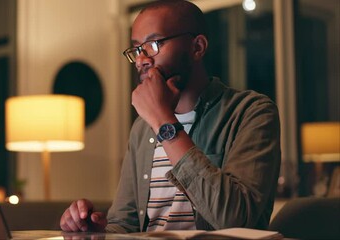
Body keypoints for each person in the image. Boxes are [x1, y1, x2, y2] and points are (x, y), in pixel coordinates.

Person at [60, 0, 281, 233]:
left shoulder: (252, 112)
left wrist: (163, 121)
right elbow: (125, 223)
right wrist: (93, 230)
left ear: (197, 47)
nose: (141, 59)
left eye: (154, 44)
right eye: (137, 49)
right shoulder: (142, 128)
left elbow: (236, 220)